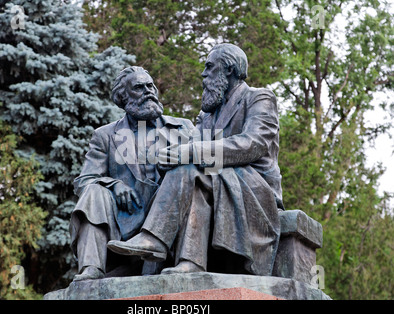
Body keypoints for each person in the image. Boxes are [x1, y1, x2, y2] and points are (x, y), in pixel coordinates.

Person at [108, 44, 284, 276]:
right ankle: (191, 262)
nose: (203, 74)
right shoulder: (207, 114)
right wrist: (169, 158)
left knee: (190, 167)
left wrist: (188, 153)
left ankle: (155, 239)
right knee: (187, 169)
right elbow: (191, 149)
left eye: (209, 67)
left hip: (254, 188)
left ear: (229, 70)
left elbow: (253, 145)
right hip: (216, 180)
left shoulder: (258, 98)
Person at [70, 66, 194, 281]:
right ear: (123, 97)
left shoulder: (183, 128)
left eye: (150, 86)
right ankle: (92, 268)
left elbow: (206, 173)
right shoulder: (105, 135)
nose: (148, 92)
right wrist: (114, 185)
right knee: (93, 192)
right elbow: (85, 180)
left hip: (171, 216)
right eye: (139, 87)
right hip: (125, 219)